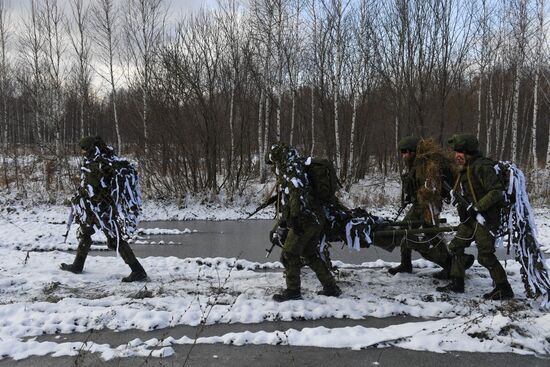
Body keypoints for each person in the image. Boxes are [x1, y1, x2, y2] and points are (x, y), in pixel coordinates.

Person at [60, 136, 147, 282]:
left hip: (102, 209)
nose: (83, 152)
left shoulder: (103, 163)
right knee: (85, 233)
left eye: (85, 149)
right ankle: (77, 265)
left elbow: (98, 185)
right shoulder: (94, 161)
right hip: (89, 207)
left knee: (114, 239)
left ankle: (138, 271)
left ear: (92, 148)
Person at [437, 134, 513, 300]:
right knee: (456, 246)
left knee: (485, 256)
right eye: (455, 151)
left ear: (468, 152)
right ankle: (457, 283)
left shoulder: (481, 167)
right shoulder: (465, 168)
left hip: (485, 218)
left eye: (459, 152)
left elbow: (496, 192)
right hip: (470, 218)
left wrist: (477, 207)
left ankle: (504, 288)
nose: (456, 155)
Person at [266, 143, 341, 302]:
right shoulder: (298, 166)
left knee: (290, 253)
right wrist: (282, 222)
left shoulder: (292, 169)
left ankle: (293, 291)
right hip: (314, 217)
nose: (274, 167)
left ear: (280, 158)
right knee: (309, 254)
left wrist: (294, 218)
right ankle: (331, 287)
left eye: (275, 162)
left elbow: (296, 194)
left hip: (304, 219)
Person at [389, 136, 472, 279]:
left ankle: (451, 265)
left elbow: (431, 188)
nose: (403, 155)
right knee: (410, 231)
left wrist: (425, 202)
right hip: (419, 204)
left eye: (405, 152)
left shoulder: (426, 166)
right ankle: (406, 263)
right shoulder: (415, 164)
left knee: (428, 236)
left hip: (427, 206)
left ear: (412, 152)